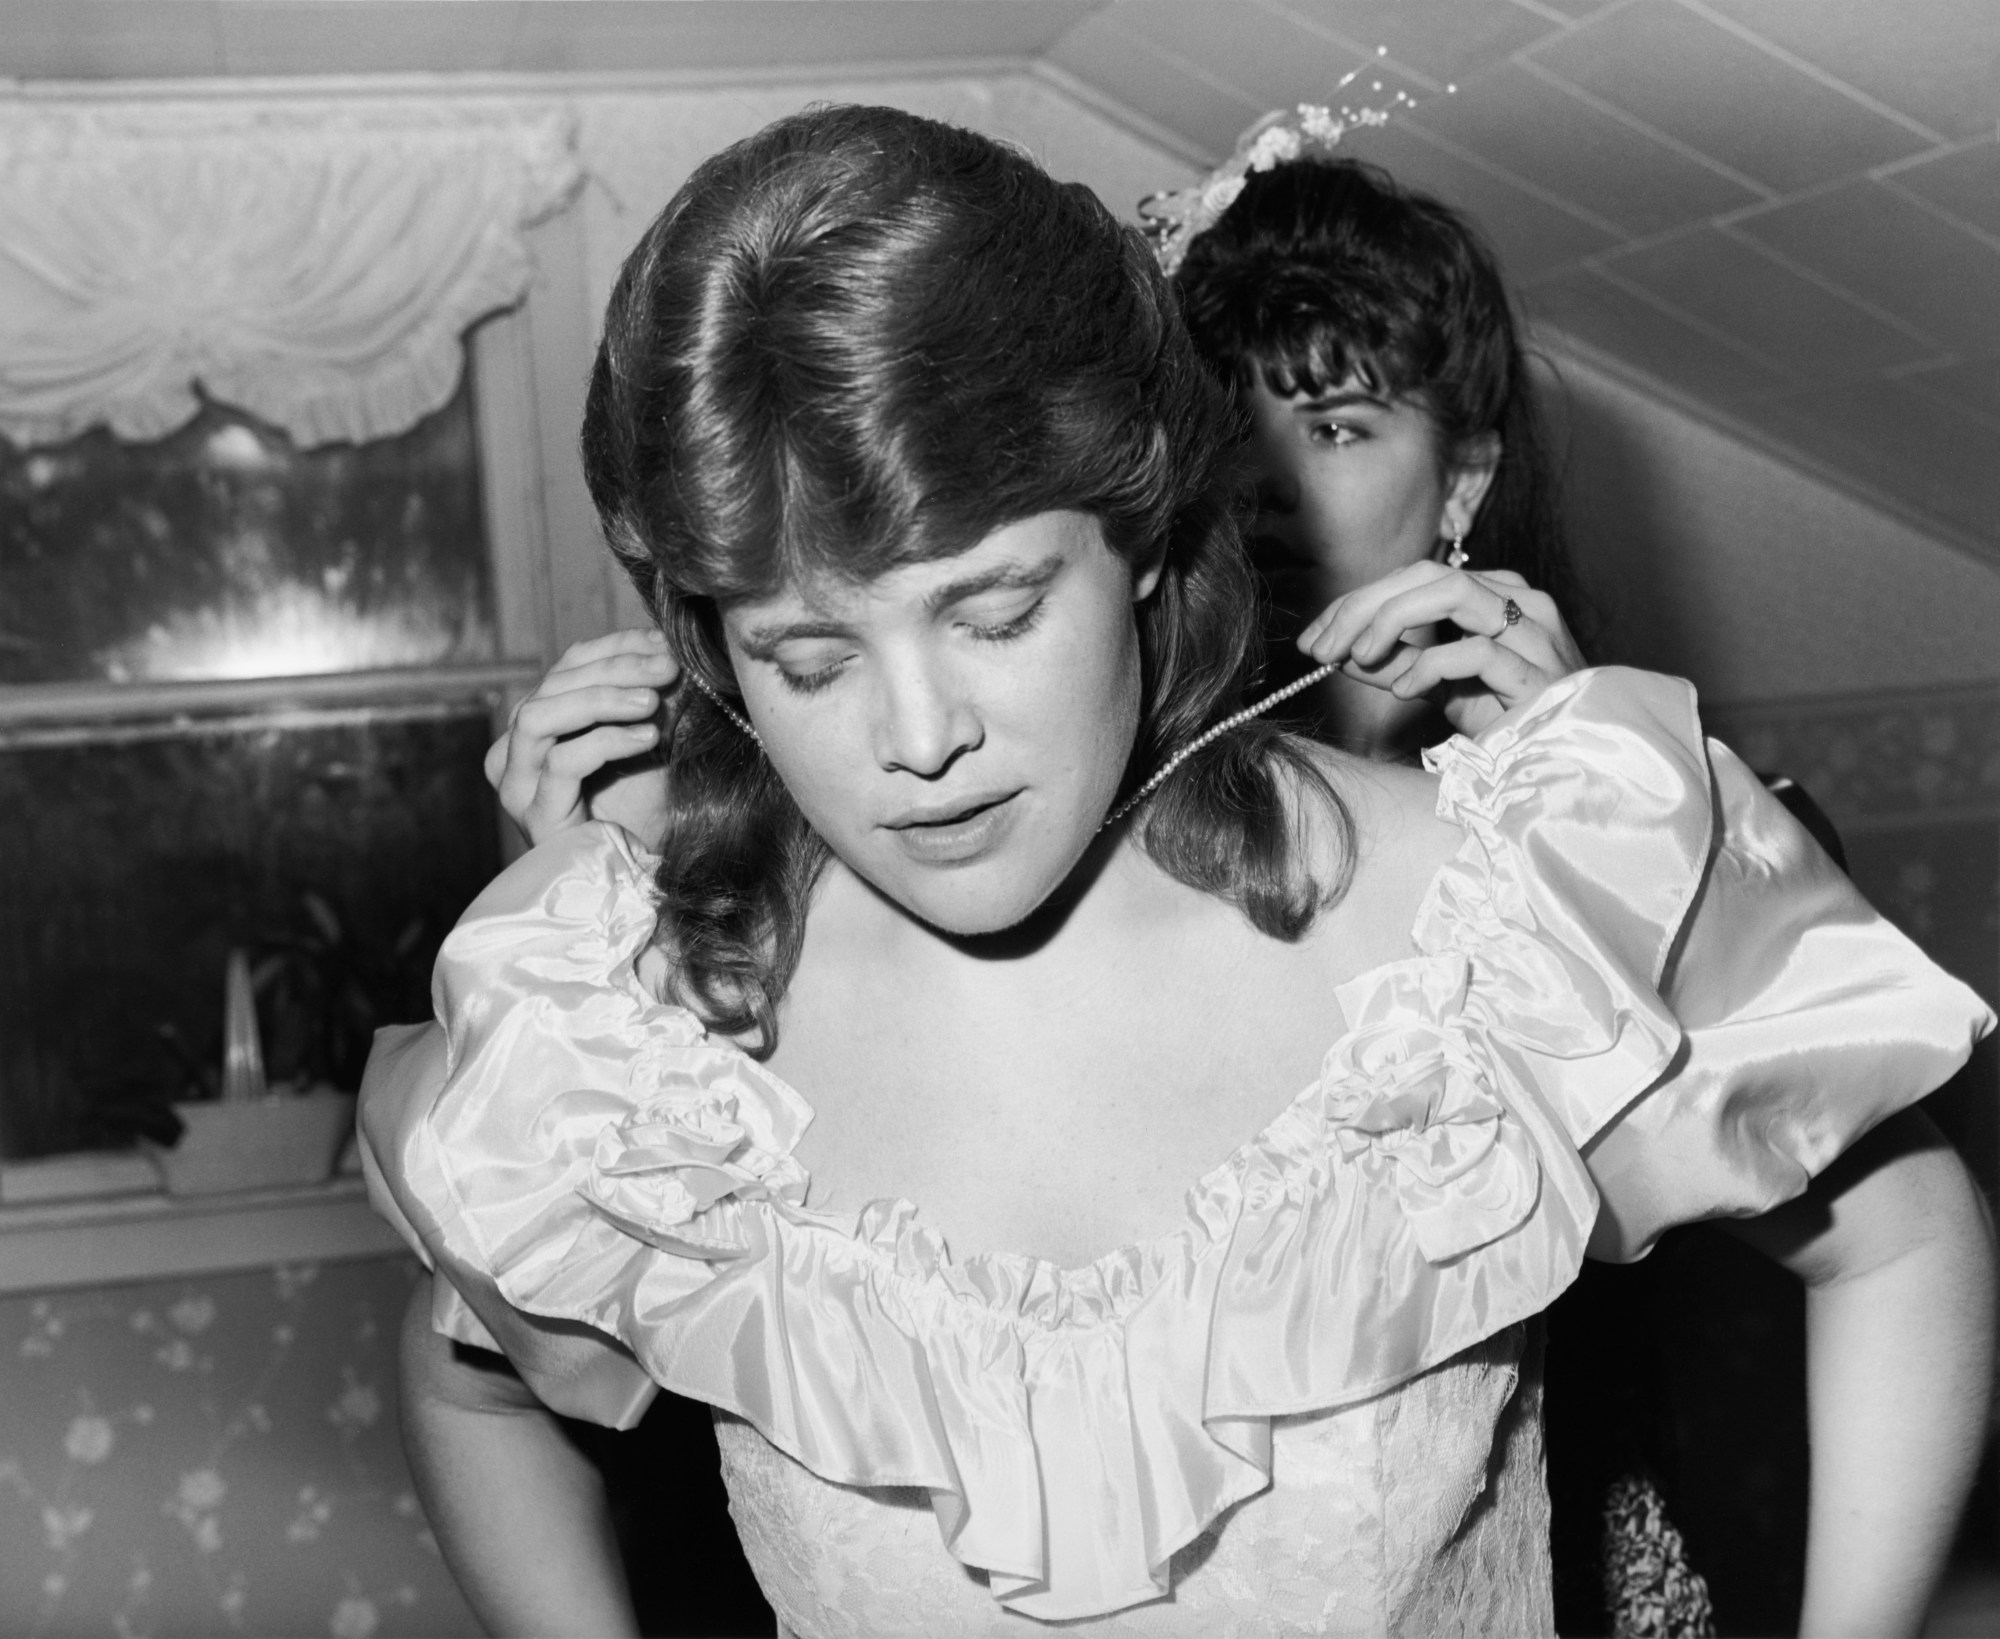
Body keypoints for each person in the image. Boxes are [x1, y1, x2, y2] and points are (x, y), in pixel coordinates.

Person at [361, 104, 1995, 1638]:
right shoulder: (636, 1022)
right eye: (806, 658)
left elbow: (1902, 1239)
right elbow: (469, 1391)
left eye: (996, 614)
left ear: (1143, 527)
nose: (916, 738)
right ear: (706, 641)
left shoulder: (1493, 910)